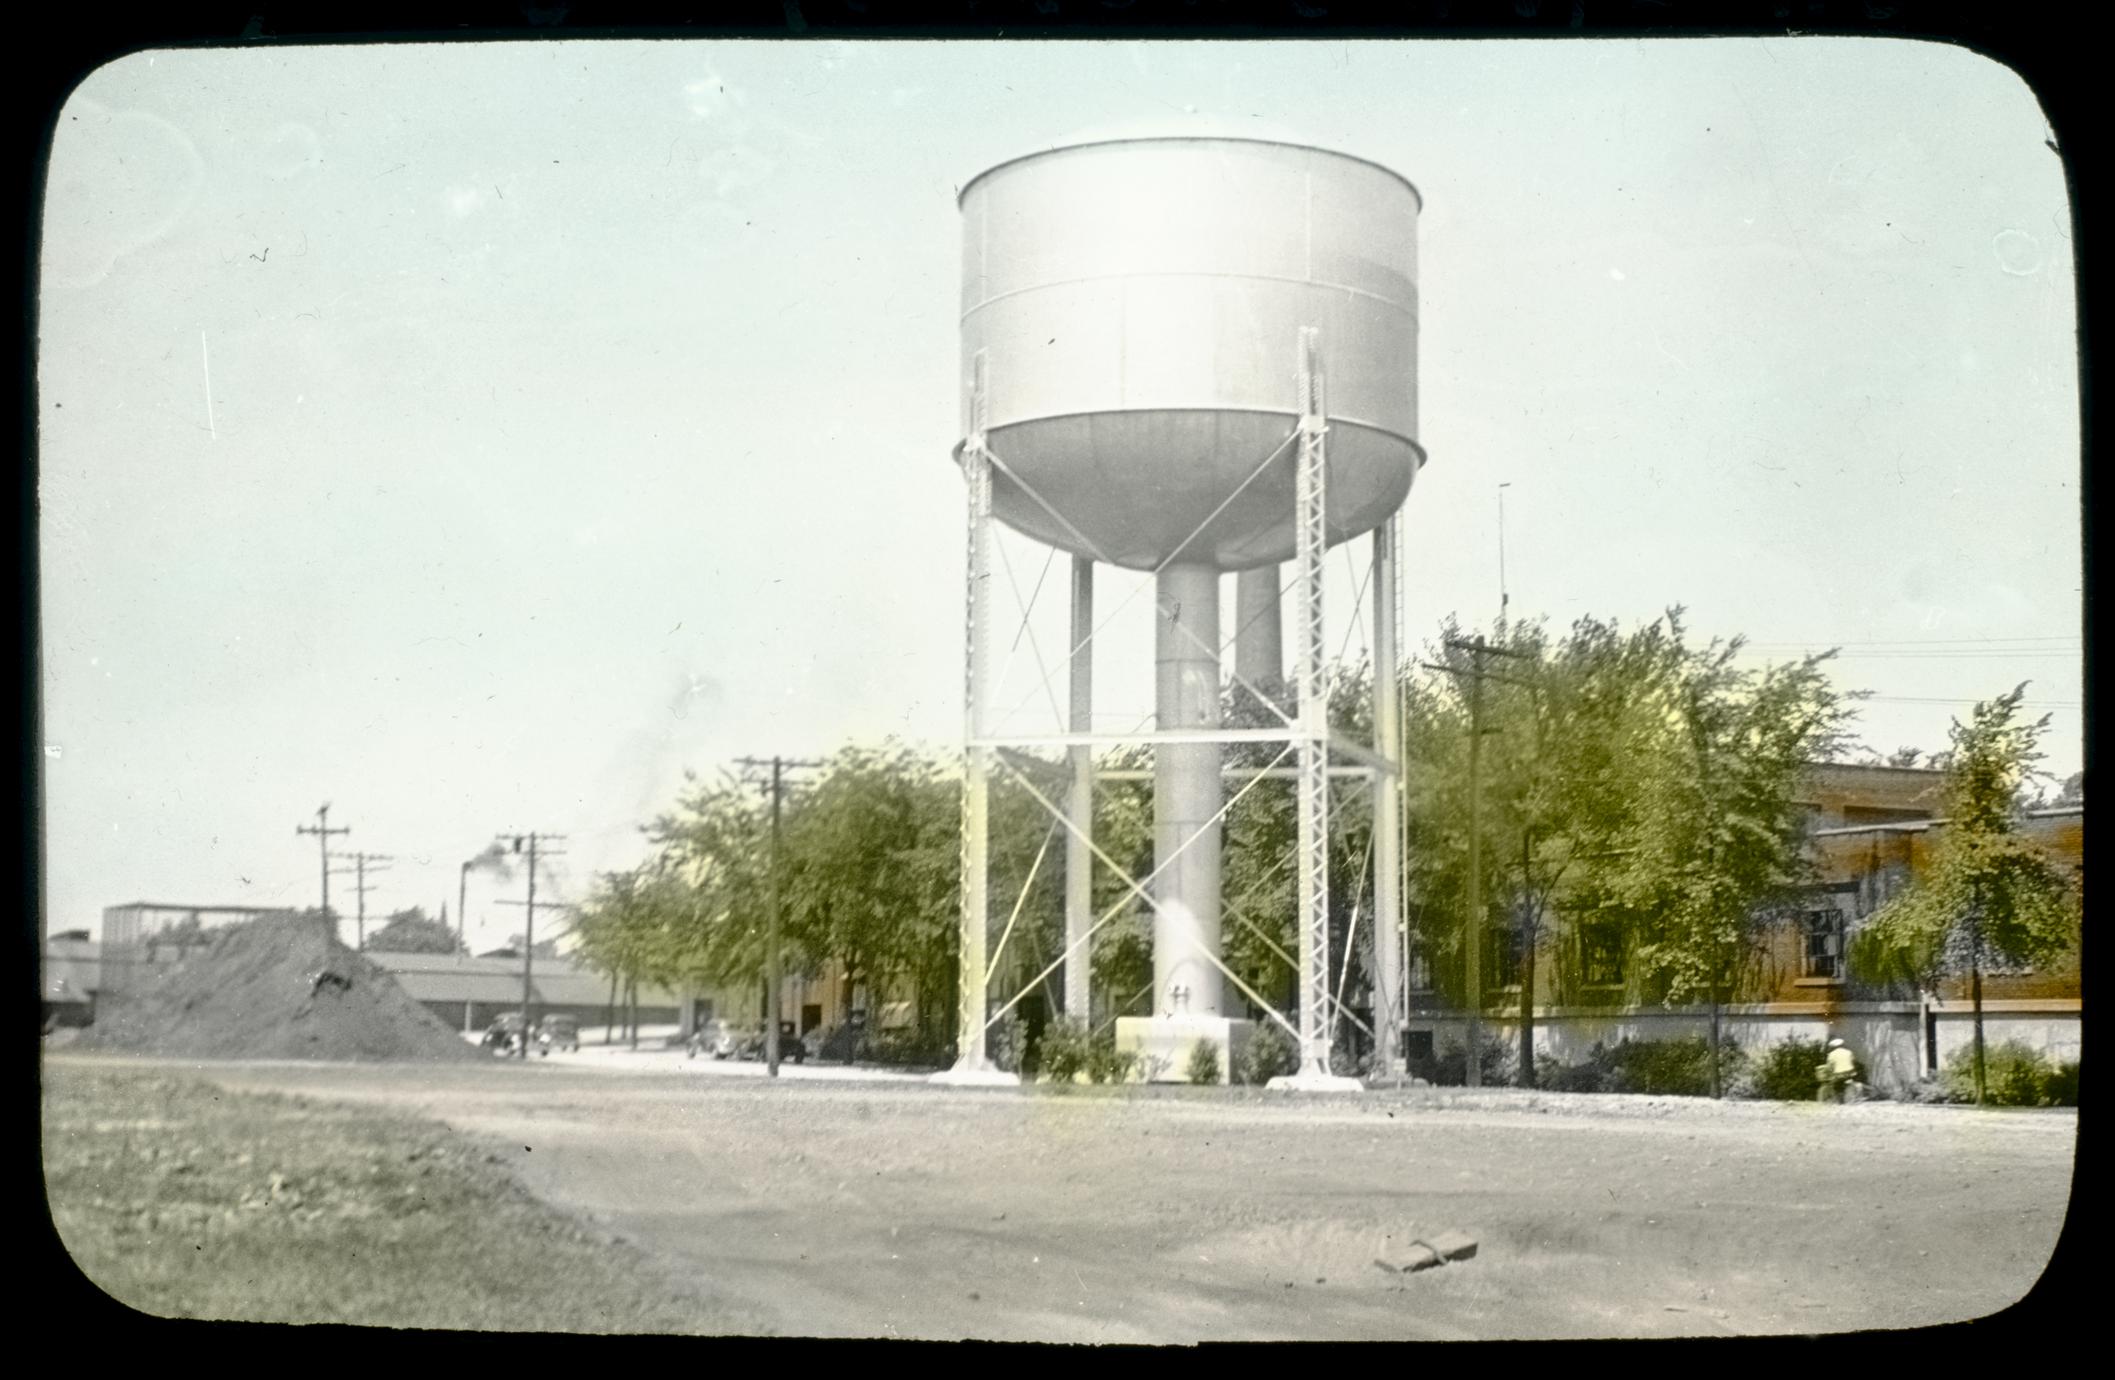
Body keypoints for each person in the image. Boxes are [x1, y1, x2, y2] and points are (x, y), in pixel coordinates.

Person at [1817, 1038, 1858, 1103]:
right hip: (1850, 1074)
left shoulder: (1832, 1054)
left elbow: (1830, 1066)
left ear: (1833, 1047)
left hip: (1838, 1074)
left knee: (1833, 1084)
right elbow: (1853, 1061)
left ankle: (1835, 1099)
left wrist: (1829, 1071)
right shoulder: (1849, 1052)